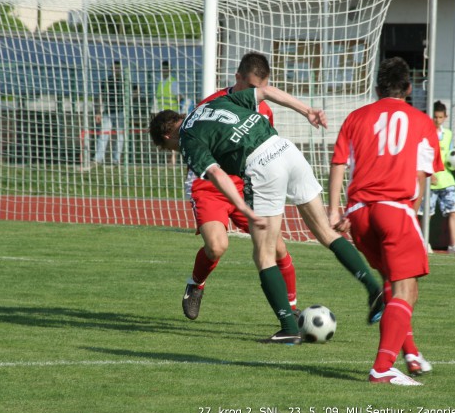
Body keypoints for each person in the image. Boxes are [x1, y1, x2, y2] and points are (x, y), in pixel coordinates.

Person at [150, 85, 384, 345]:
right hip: (286, 149)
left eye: (168, 148)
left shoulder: (187, 139)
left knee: (264, 253)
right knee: (326, 233)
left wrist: (242, 206)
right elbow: (265, 91)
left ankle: (288, 327)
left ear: (168, 135)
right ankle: (374, 289)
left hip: (262, 166)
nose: (174, 151)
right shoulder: (211, 104)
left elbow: (216, 173)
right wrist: (307, 110)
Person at [328, 57, 443, 385]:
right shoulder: (421, 121)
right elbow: (422, 177)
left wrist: (336, 209)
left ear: (377, 88)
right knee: (406, 288)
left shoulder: (356, 117)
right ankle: (382, 368)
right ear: (409, 88)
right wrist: (412, 215)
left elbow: (339, 162)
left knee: (397, 285)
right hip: (394, 209)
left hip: (359, 213)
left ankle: (410, 354)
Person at [182, 52, 299, 321]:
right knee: (217, 246)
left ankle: (292, 309)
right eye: (251, 88)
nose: (257, 94)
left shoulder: (265, 111)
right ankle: (196, 284)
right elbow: (197, 148)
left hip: (245, 185)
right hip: (210, 185)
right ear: (237, 79)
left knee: (278, 247)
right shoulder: (211, 104)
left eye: (262, 89)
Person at [419, 101, 455, 255]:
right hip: (431, 180)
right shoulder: (424, 133)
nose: (437, 120)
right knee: (427, 214)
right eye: (435, 117)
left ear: (445, 117)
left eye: (440, 117)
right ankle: (424, 243)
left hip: (447, 180)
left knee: (453, 210)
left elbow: (451, 156)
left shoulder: (447, 134)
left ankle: (454, 245)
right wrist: (429, 173)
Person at [94, 60, 126, 166]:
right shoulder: (107, 81)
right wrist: (98, 112)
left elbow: (136, 91)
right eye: (114, 68)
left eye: (118, 68)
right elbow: (100, 96)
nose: (116, 70)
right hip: (108, 112)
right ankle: (98, 159)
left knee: (120, 136)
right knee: (103, 135)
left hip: (120, 112)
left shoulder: (125, 81)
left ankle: (116, 159)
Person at [156, 60, 184, 165]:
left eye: (166, 69)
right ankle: (169, 160)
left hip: (172, 114)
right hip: (162, 114)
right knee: (165, 136)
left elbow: (179, 96)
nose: (164, 71)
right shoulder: (160, 83)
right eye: (163, 68)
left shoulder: (173, 82)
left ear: (169, 70)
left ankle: (172, 160)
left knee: (172, 135)